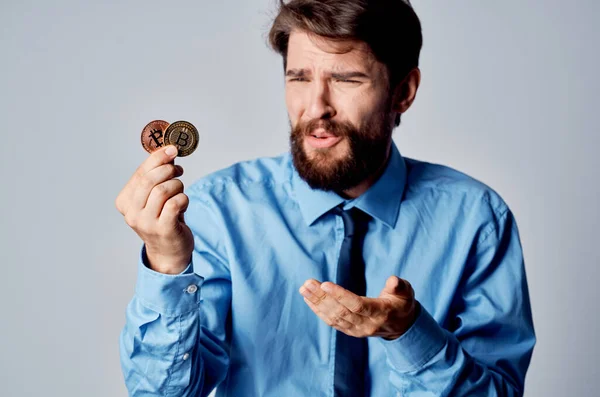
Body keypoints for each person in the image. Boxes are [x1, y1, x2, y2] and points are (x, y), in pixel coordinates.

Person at [116, 0, 536, 395]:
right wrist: (167, 263)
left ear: (403, 91)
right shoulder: (219, 211)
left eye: (346, 79)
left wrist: (408, 332)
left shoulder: (476, 219)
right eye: (299, 78)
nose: (316, 107)